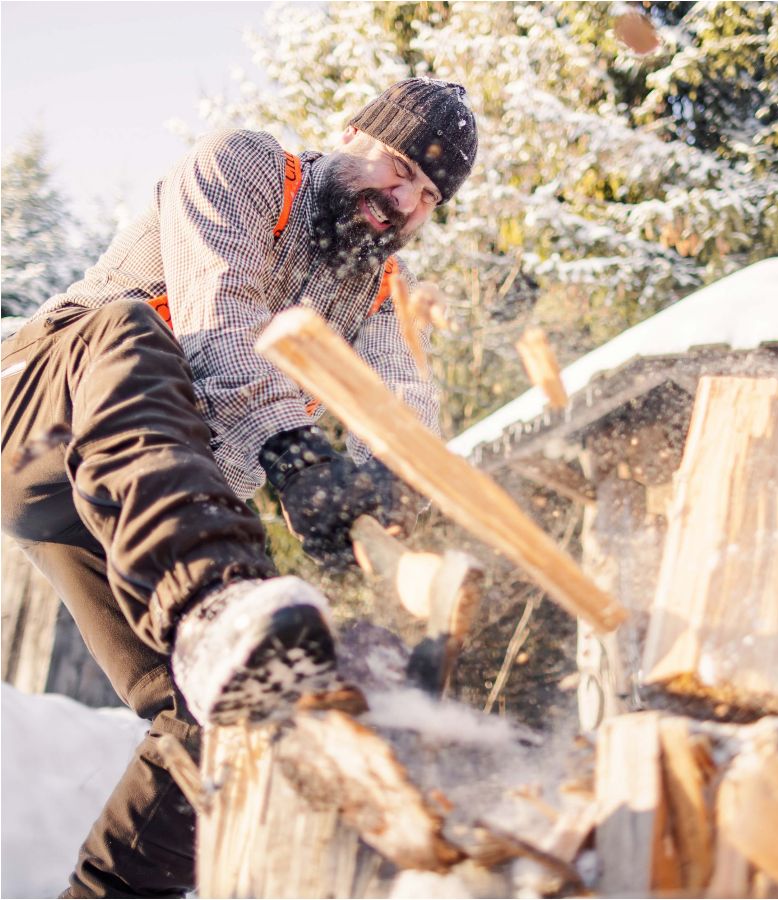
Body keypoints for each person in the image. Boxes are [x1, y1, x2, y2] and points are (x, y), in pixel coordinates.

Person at [0, 78, 478, 898]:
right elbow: (219, 323)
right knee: (127, 329)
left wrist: (395, 520)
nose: (401, 201)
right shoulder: (248, 168)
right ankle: (214, 606)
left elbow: (408, 431)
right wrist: (297, 462)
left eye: (427, 194)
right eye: (397, 167)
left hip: (127, 513)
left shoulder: (372, 297)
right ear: (350, 134)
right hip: (43, 414)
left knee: (231, 711)